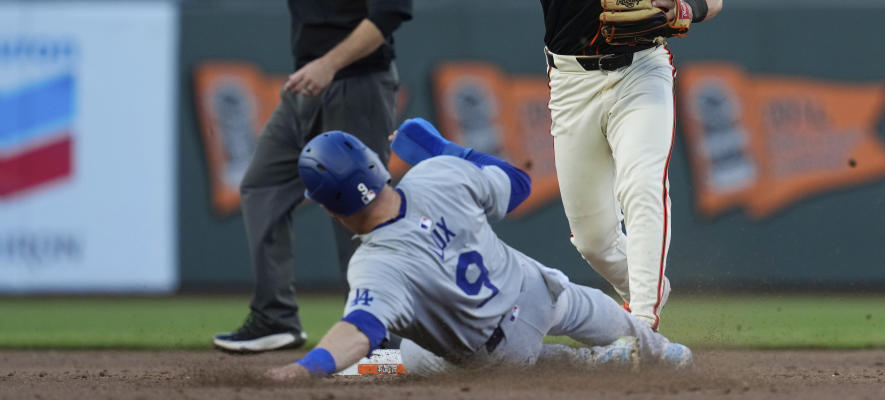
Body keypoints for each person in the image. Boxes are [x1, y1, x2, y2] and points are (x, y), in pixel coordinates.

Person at [408, 0, 723, 330]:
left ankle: (642, 325)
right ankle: (649, 283)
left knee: (643, 184)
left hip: (642, 68)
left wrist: (688, 7)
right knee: (593, 238)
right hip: (572, 78)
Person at [134, 0, 413, 352]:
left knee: (358, 207)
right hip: (305, 87)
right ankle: (275, 317)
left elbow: (390, 14)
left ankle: (382, 327)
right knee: (261, 184)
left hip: (359, 83)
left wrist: (330, 64)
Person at [264, 118, 692, 380]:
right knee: (620, 325)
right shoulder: (437, 174)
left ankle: (591, 367)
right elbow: (518, 184)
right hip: (541, 294)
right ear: (375, 165)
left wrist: (305, 369)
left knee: (413, 356)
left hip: (496, 356)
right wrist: (446, 151)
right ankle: (663, 353)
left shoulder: (375, 265)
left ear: (331, 210)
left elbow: (359, 331)